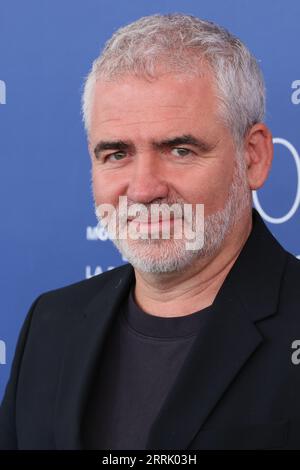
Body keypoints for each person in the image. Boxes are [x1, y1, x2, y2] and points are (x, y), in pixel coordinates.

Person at [0, 13, 300, 451]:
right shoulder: (50, 324)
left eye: (180, 150)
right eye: (116, 154)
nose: (143, 189)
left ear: (252, 157)